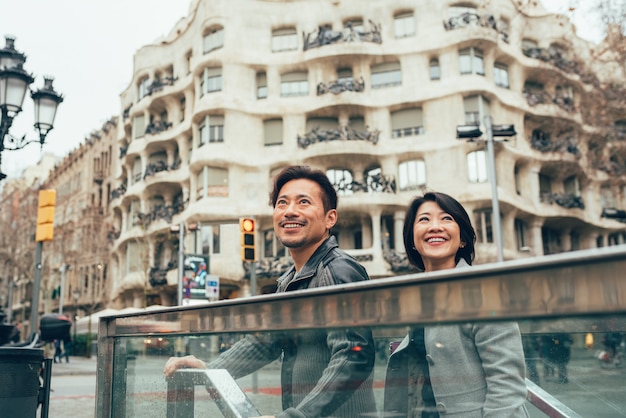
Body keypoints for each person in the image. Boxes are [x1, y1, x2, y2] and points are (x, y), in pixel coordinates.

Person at [164, 165, 377, 418]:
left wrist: (299, 416)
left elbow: (353, 355)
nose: (289, 211)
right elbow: (266, 342)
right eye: (282, 203)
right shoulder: (290, 279)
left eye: (304, 202)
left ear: (330, 218)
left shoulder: (338, 269)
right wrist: (209, 368)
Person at [383, 192, 529, 417]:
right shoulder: (420, 295)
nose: (435, 227)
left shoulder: (483, 290)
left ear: (462, 239)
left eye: (446, 219)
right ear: (412, 240)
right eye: (424, 219)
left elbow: (507, 384)